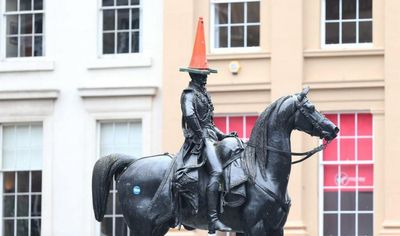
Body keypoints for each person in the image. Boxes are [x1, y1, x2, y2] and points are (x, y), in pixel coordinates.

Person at [179, 17, 235, 233]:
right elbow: (192, 118)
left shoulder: (203, 94)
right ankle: (213, 219)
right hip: (197, 141)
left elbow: (210, 122)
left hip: (209, 137)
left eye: (206, 76)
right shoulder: (189, 95)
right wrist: (203, 136)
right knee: (217, 172)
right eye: (203, 75)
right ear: (194, 75)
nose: (205, 79)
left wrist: (223, 135)